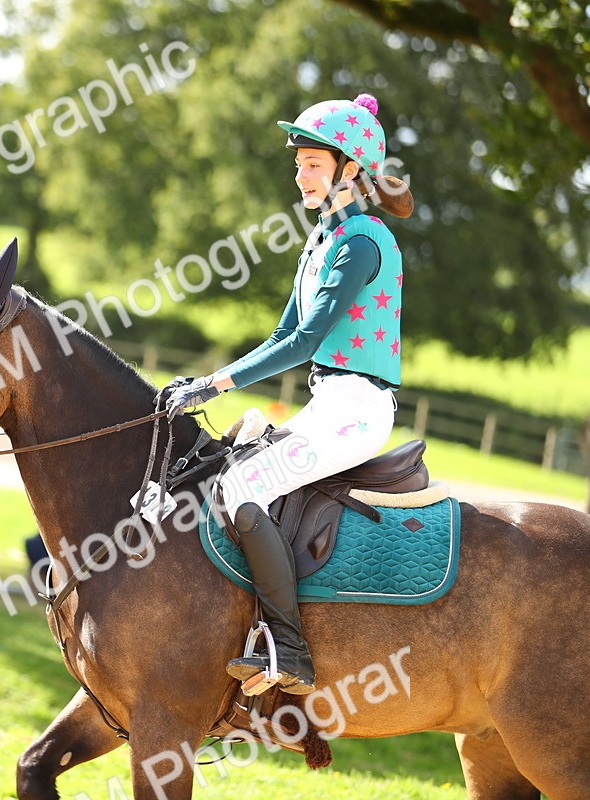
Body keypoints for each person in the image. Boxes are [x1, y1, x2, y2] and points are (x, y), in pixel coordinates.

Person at [159, 93, 415, 694]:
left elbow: (303, 341)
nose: (298, 175)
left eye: (313, 165)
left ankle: (291, 649)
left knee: (242, 485)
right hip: (328, 403)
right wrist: (210, 378)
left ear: (350, 169)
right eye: (297, 163)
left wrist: (215, 385)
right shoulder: (322, 240)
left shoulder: (361, 242)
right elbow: (281, 334)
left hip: (357, 411)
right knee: (232, 464)